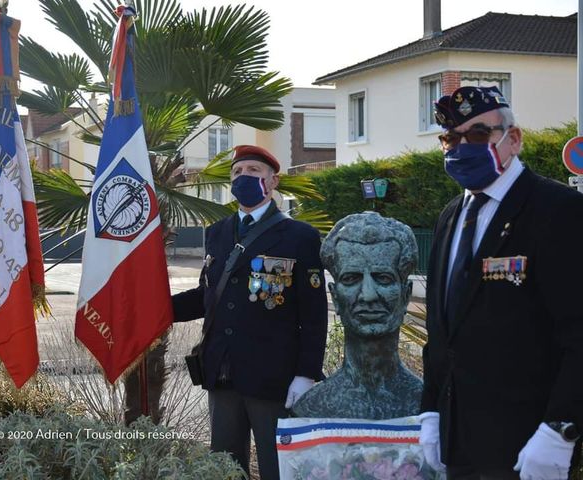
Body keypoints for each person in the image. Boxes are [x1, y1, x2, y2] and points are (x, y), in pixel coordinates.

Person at [420, 86, 583, 479]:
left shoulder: (558, 210)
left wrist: (561, 429)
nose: (462, 147)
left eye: (478, 135)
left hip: (528, 442)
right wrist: (429, 411)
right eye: (451, 138)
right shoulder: (449, 216)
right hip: (457, 438)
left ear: (513, 138)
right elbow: (441, 329)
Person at [172, 145, 328, 480]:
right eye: (238, 173)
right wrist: (159, 309)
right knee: (225, 468)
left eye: (254, 172)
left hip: (273, 376)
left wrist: (306, 373)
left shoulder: (299, 236)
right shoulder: (217, 232)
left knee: (279, 468)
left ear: (272, 181)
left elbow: (314, 315)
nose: (244, 178)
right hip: (222, 370)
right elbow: (208, 295)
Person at [293, 212, 422, 419]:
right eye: (351, 279)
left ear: (406, 295)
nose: (368, 295)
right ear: (335, 297)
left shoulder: (426, 403)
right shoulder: (313, 406)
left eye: (383, 278)